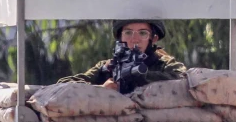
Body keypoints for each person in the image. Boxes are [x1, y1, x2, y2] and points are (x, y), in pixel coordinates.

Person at [58, 19, 187, 92]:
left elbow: (182, 78)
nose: (134, 39)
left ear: (153, 39)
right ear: (120, 38)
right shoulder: (109, 65)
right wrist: (101, 89)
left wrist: (140, 77)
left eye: (142, 33)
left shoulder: (163, 63)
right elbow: (64, 84)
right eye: (128, 33)